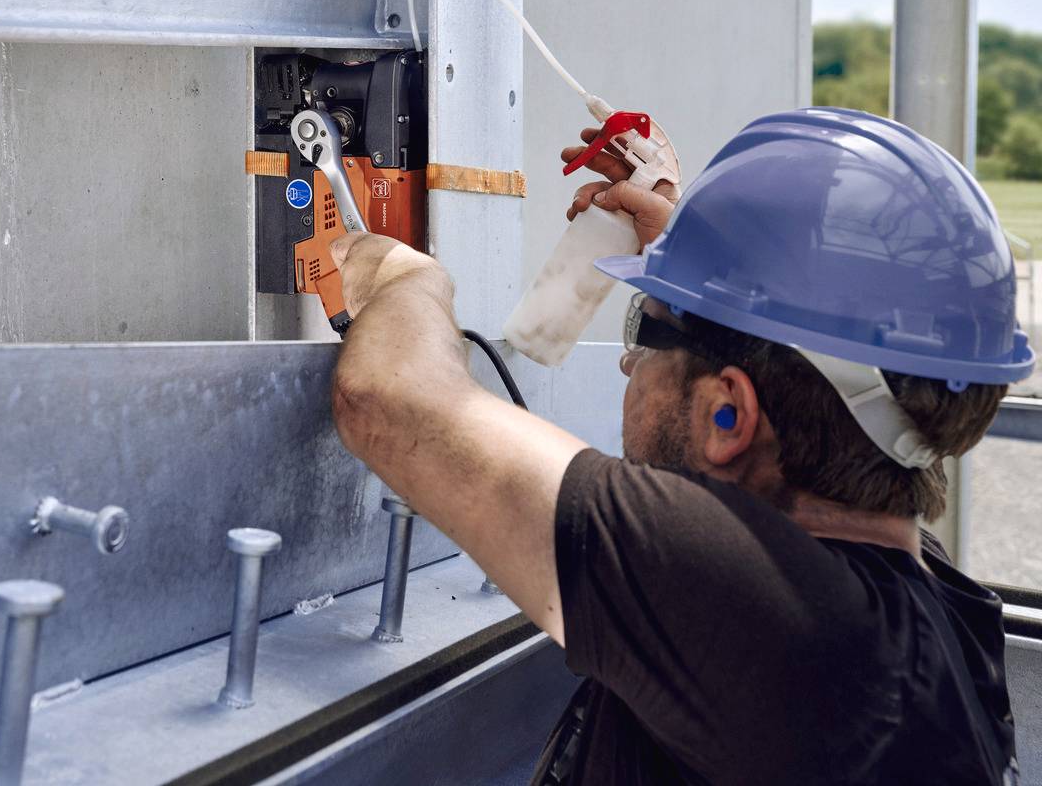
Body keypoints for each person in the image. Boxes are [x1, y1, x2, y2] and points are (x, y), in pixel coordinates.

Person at [328, 107, 1030, 785]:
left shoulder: (769, 619)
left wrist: (404, 281)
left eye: (646, 331)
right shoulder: (934, 610)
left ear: (728, 413)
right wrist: (701, 253)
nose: (628, 363)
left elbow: (388, 398)